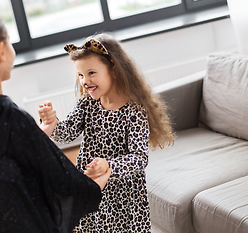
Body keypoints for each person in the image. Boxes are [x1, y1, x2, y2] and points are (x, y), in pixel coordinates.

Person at [0, 6, 112, 233]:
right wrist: (95, 186)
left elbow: (1, 162)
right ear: (1, 51)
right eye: (9, 41)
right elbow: (65, 184)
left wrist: (36, 135)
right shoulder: (12, 118)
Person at [38, 33, 175, 232]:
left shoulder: (134, 111)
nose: (85, 81)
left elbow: (139, 158)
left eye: (91, 73)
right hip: (91, 187)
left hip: (123, 197)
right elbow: (66, 133)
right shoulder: (88, 104)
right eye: (81, 75)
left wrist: (108, 165)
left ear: (114, 71)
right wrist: (51, 122)